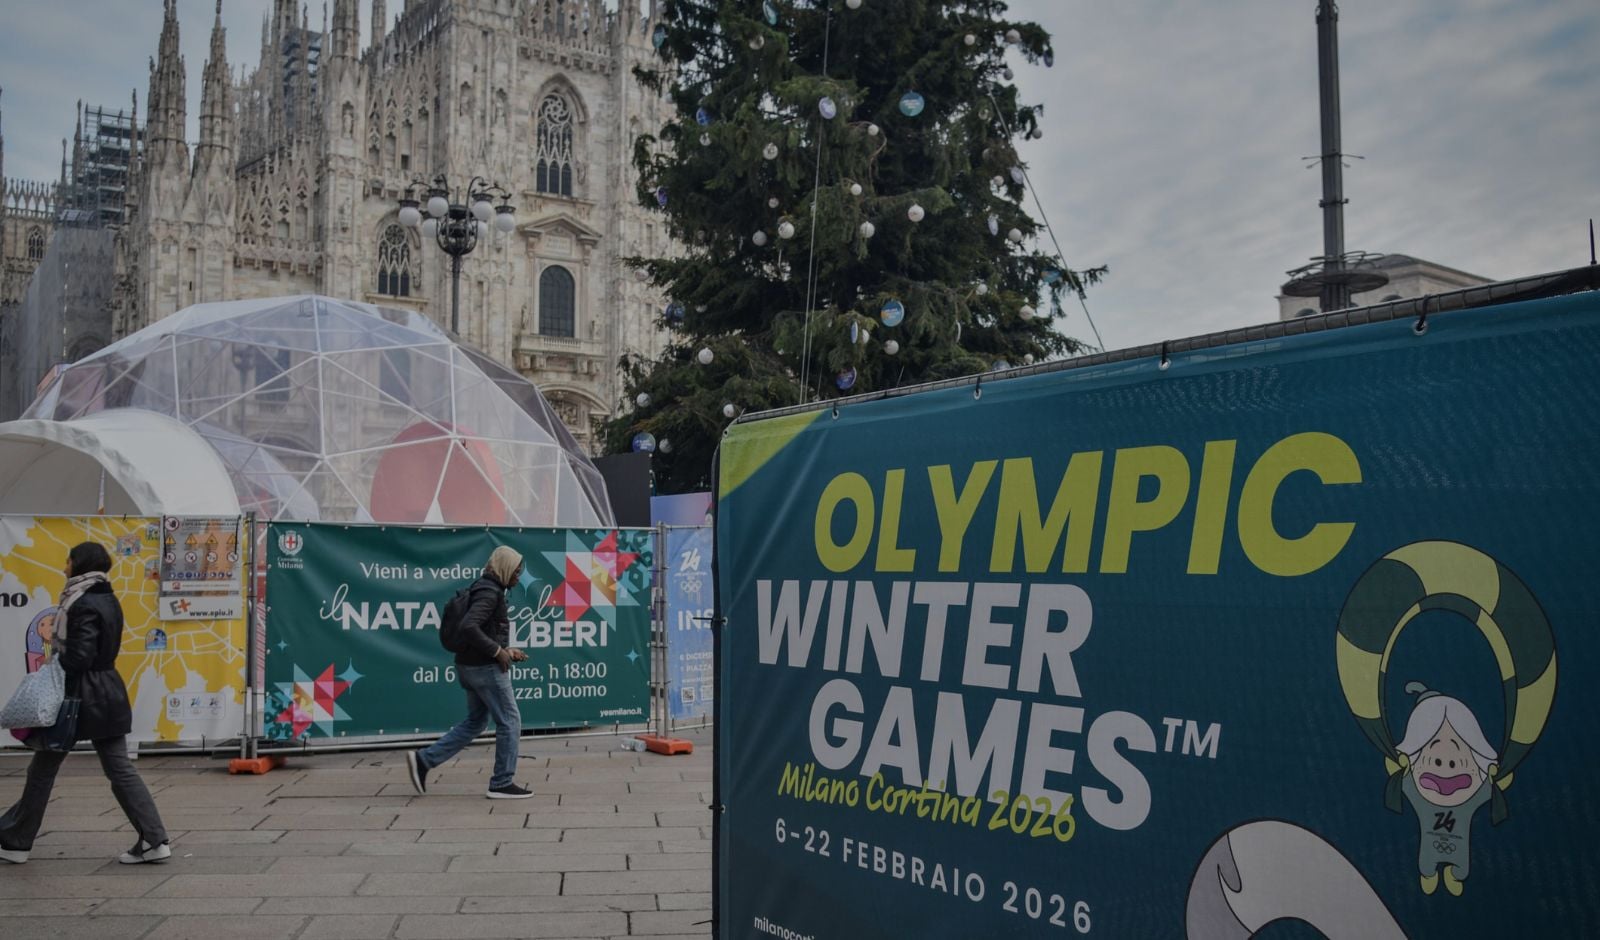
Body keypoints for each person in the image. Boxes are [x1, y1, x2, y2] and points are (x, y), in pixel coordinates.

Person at [0, 542, 170, 865]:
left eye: (68, 560)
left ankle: (17, 841)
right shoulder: (106, 597)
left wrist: (56, 668)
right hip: (106, 694)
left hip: (81, 696)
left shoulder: (83, 602)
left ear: (79, 563)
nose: (64, 566)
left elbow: (81, 654)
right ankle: (154, 838)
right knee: (116, 768)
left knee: (45, 768)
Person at [406, 546, 534, 799]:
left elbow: (481, 630)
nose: (519, 576)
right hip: (484, 668)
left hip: (469, 666)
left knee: (476, 722)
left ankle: (424, 760)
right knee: (510, 721)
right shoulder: (490, 592)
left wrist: (506, 649)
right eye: (517, 571)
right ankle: (502, 782)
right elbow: (469, 627)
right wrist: (498, 652)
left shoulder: (483, 586)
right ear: (505, 568)